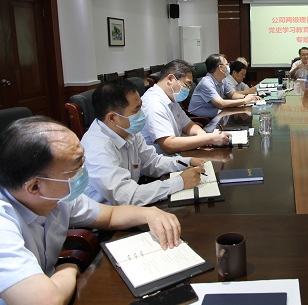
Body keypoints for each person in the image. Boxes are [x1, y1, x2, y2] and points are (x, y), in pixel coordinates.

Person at [0, 116, 181, 305]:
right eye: (76, 167)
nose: (84, 170)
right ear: (35, 186)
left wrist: (150, 213)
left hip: (58, 287)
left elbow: (110, 216)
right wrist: (70, 264)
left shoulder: (56, 195)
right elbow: (46, 301)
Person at [82, 78, 206, 206]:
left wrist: (188, 161)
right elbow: (127, 196)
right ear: (112, 118)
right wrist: (179, 182)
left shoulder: (128, 131)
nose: (142, 114)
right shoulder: (98, 148)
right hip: (105, 213)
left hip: (129, 206)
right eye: (136, 110)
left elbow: (152, 162)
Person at [140, 59, 229, 155]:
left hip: (176, 155)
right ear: (170, 79)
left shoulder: (170, 98)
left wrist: (202, 136)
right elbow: (168, 145)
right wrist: (208, 138)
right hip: (164, 160)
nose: (187, 89)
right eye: (186, 84)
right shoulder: (154, 104)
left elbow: (188, 126)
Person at [188, 54, 260, 119]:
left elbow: (232, 95)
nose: (229, 67)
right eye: (226, 64)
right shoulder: (206, 82)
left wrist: (247, 97)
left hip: (216, 111)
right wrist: (244, 100)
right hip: (199, 117)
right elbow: (220, 104)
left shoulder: (223, 79)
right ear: (220, 68)